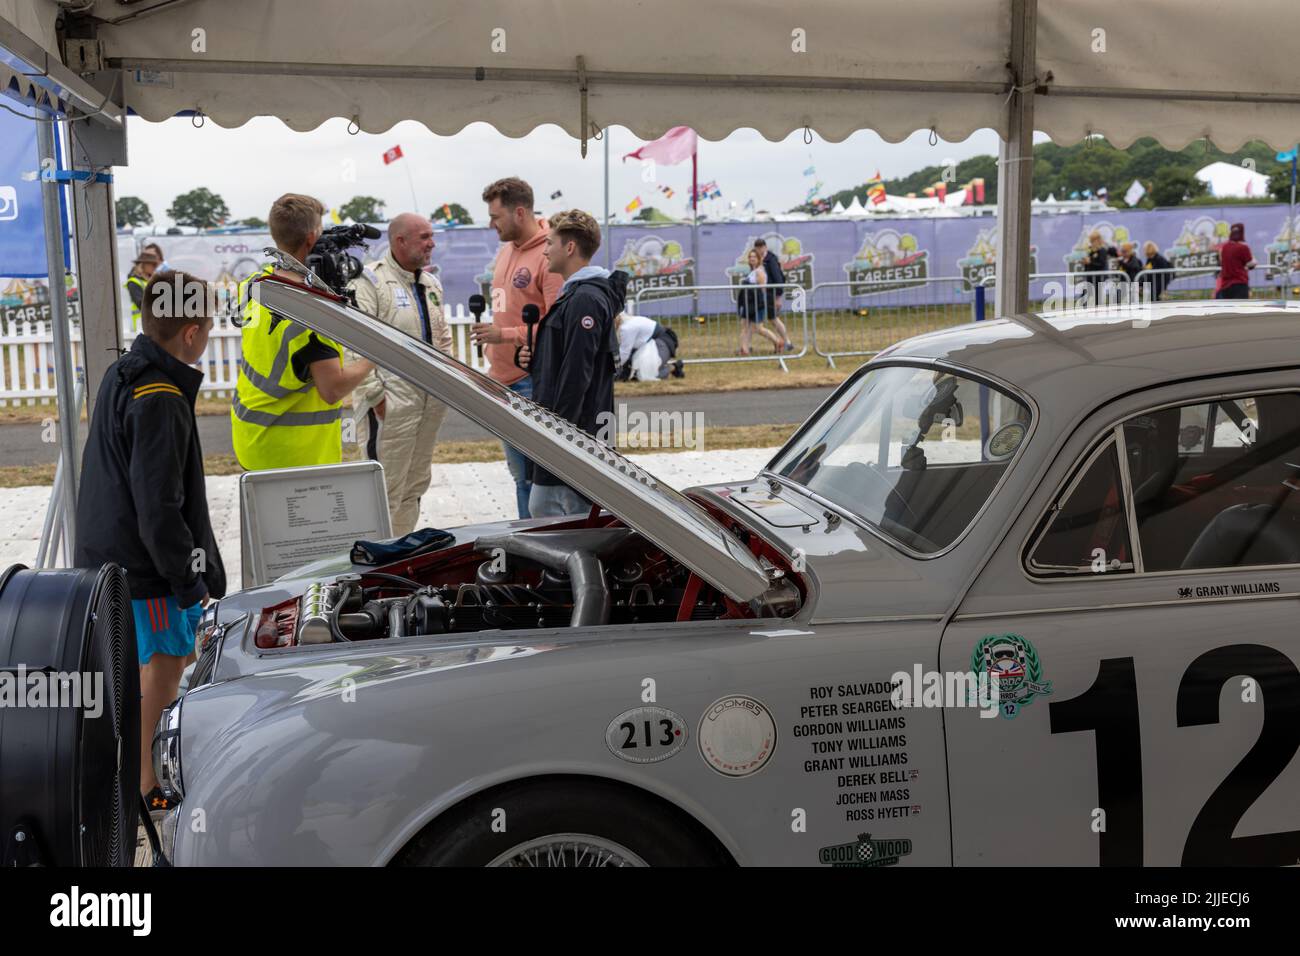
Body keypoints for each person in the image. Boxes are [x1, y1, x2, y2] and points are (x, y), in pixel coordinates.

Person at [74, 270, 227, 813]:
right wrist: (187, 583)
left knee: (150, 666)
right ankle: (144, 788)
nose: (209, 334)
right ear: (190, 332)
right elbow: (160, 509)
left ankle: (130, 775)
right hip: (145, 569)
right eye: (207, 326)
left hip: (111, 556)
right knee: (164, 667)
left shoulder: (123, 370)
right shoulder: (160, 396)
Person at [231, 193, 373, 471]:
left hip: (251, 436)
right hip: (296, 453)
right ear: (311, 238)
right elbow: (333, 388)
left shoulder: (253, 285)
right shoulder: (314, 314)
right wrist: (376, 356)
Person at [519, 209, 627, 517]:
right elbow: (567, 361)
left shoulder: (585, 299)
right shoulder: (577, 295)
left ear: (569, 248)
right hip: (568, 439)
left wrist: (556, 441)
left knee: (550, 520)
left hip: (572, 443)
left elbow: (577, 376)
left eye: (550, 242)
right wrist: (534, 359)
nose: (544, 250)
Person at [348, 213, 452, 535]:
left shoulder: (431, 283)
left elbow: (443, 339)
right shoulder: (370, 282)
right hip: (390, 410)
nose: (431, 243)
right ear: (399, 241)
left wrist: (448, 389)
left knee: (415, 486)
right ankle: (375, 566)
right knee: (383, 490)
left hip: (428, 407)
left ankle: (403, 556)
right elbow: (354, 343)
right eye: (424, 237)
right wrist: (377, 399)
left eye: (431, 236)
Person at [472, 177, 565, 519]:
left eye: (496, 216)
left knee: (531, 477)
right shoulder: (505, 250)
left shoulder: (547, 255)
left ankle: (537, 552)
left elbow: (558, 326)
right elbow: (503, 308)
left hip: (528, 381)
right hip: (502, 379)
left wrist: (505, 336)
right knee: (520, 476)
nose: (491, 224)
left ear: (520, 212)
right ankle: (530, 546)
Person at [737, 248, 782, 355]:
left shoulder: (760, 271)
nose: (752, 259)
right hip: (749, 303)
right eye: (750, 257)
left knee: (758, 328)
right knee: (744, 325)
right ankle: (744, 349)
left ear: (759, 259)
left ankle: (777, 342)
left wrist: (760, 303)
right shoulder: (752, 271)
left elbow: (762, 289)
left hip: (757, 303)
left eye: (754, 257)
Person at [615, 312, 683, 381]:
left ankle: (673, 367)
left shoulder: (627, 328)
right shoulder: (625, 324)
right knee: (637, 375)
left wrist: (611, 371)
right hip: (650, 346)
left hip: (663, 343)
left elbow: (624, 353)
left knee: (645, 376)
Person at [753, 238, 793, 351]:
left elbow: (778, 278)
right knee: (757, 322)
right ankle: (745, 346)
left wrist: (778, 297)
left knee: (773, 319)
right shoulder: (758, 259)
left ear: (765, 247)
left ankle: (787, 342)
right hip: (762, 294)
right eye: (757, 248)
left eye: (761, 247)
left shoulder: (771, 259)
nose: (759, 250)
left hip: (771, 294)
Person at [123, 249, 161, 331]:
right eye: (153, 264)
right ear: (143, 265)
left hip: (150, 324)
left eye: (156, 265)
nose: (155, 267)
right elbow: (141, 304)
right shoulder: (133, 282)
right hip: (140, 326)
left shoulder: (148, 280)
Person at [1215, 222, 1256, 299]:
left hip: (1225, 286)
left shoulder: (1224, 248)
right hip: (1240, 284)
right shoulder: (1243, 248)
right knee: (1241, 310)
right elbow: (1251, 263)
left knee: (1229, 309)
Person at [1080, 229, 1119, 306]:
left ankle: (1098, 310)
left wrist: (1090, 262)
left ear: (1098, 240)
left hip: (1099, 278)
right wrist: (1085, 262)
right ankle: (1083, 310)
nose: (1091, 243)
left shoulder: (1102, 250)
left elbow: (1101, 264)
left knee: (1097, 297)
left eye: (1093, 241)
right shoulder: (1092, 251)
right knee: (1085, 296)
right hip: (1091, 277)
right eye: (1091, 241)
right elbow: (1090, 263)